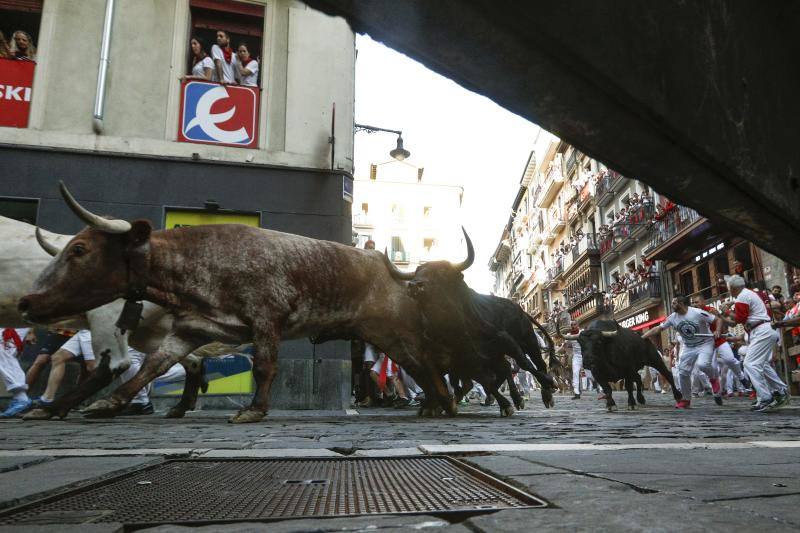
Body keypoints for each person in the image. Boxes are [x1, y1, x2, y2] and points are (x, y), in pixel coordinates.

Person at [722, 275, 789, 411]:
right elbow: (735, 321)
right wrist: (723, 315)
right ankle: (781, 390)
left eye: (728, 287)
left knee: (750, 364)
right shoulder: (746, 294)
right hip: (762, 330)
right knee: (761, 364)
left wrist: (726, 311)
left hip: (761, 331)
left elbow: (740, 319)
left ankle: (765, 397)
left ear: (732, 288)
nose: (728, 290)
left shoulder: (742, 296)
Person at [642, 296, 722, 408]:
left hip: (705, 343)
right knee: (683, 372)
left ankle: (713, 379)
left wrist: (717, 331)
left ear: (682, 303)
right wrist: (642, 337)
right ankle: (686, 400)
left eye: (674, 303)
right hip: (689, 346)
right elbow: (658, 329)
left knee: (703, 364)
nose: (672, 305)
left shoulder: (697, 312)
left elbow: (717, 319)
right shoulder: (672, 318)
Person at [691, 294, 751, 391]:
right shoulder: (691, 313)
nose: (694, 304)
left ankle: (741, 377)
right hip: (706, 343)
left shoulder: (711, 310)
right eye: (693, 302)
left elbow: (721, 322)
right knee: (713, 368)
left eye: (696, 302)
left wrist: (718, 329)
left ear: (703, 302)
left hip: (718, 339)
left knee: (730, 359)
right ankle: (717, 392)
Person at [33, 330, 96, 408]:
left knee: (92, 368)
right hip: (81, 331)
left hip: (95, 330)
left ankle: (108, 399)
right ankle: (47, 399)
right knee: (58, 357)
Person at [0, 328, 34, 417]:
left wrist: (30, 332)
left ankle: (21, 398)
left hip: (12, 325)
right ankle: (19, 398)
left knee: (4, 354)